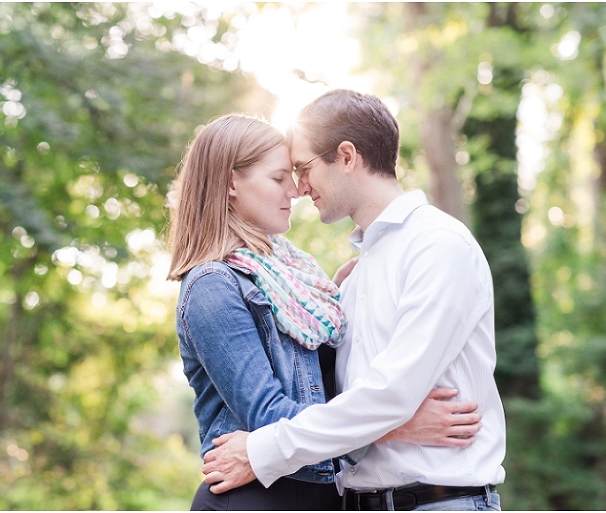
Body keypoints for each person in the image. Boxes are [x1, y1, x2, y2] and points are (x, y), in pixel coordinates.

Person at [201, 91, 507, 511]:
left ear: (346, 156)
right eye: (286, 175)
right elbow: (337, 403)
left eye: (303, 168)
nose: (300, 186)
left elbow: (390, 396)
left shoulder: (437, 245)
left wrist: (261, 450)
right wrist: (394, 427)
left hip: (438, 502)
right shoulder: (351, 279)